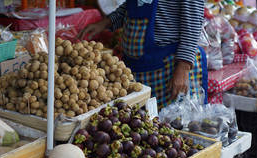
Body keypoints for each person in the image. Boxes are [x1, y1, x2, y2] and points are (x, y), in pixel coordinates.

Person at [76, 0, 206, 109]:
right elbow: (130, 8)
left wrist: (183, 68)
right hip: (139, 69)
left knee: (171, 128)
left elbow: (193, 23)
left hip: (169, 70)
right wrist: (104, 23)